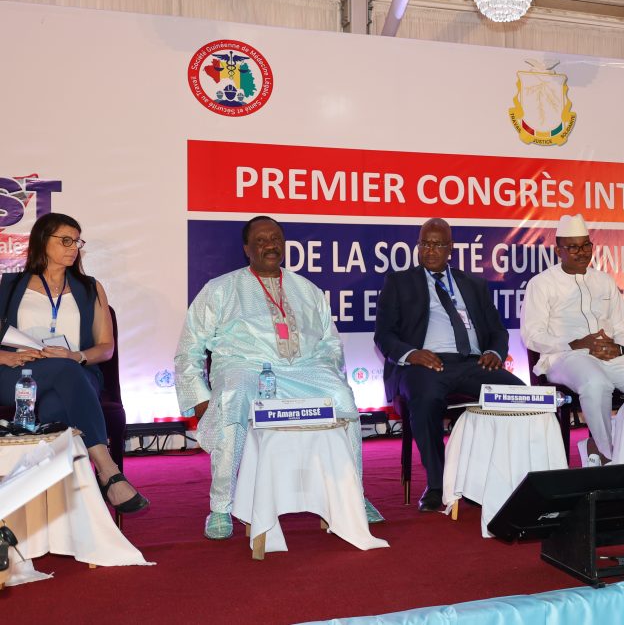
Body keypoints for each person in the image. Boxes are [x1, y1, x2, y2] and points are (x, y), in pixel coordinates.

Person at [175, 216, 380, 539]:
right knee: (234, 397)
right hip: (246, 368)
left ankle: (353, 495)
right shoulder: (220, 290)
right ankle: (221, 506)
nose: (270, 245)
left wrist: (326, 371)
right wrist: (198, 396)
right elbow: (190, 347)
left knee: (342, 398)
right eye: (260, 240)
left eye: (275, 239)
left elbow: (330, 342)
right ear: (246, 249)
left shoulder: (306, 289)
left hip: (301, 369)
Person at [0, 213, 148, 513]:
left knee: (59, 397)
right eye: (65, 240)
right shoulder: (9, 285)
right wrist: (7, 356)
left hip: (76, 374)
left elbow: (105, 348)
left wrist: (76, 356)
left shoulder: (90, 288)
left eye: (77, 241)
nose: (73, 248)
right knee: (62, 389)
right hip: (17, 374)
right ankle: (107, 472)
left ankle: (51, 508)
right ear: (43, 241)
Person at [374, 218, 523, 512]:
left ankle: (512, 477)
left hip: (472, 363)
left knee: (521, 397)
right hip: (423, 364)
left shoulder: (475, 285)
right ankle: (438, 483)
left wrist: (494, 350)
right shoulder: (399, 282)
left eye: (438, 244)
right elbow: (384, 334)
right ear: (418, 246)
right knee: (426, 397)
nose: (430, 250)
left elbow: (498, 330)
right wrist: (412, 353)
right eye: (425, 244)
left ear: (450, 249)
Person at [521, 214, 624, 467]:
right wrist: (574, 343)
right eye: (573, 247)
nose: (581, 252)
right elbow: (532, 335)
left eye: (586, 245)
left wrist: (617, 347)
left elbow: (623, 327)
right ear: (559, 251)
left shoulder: (604, 281)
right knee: (596, 384)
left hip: (609, 355)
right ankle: (607, 455)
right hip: (564, 357)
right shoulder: (541, 284)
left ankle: (611, 442)